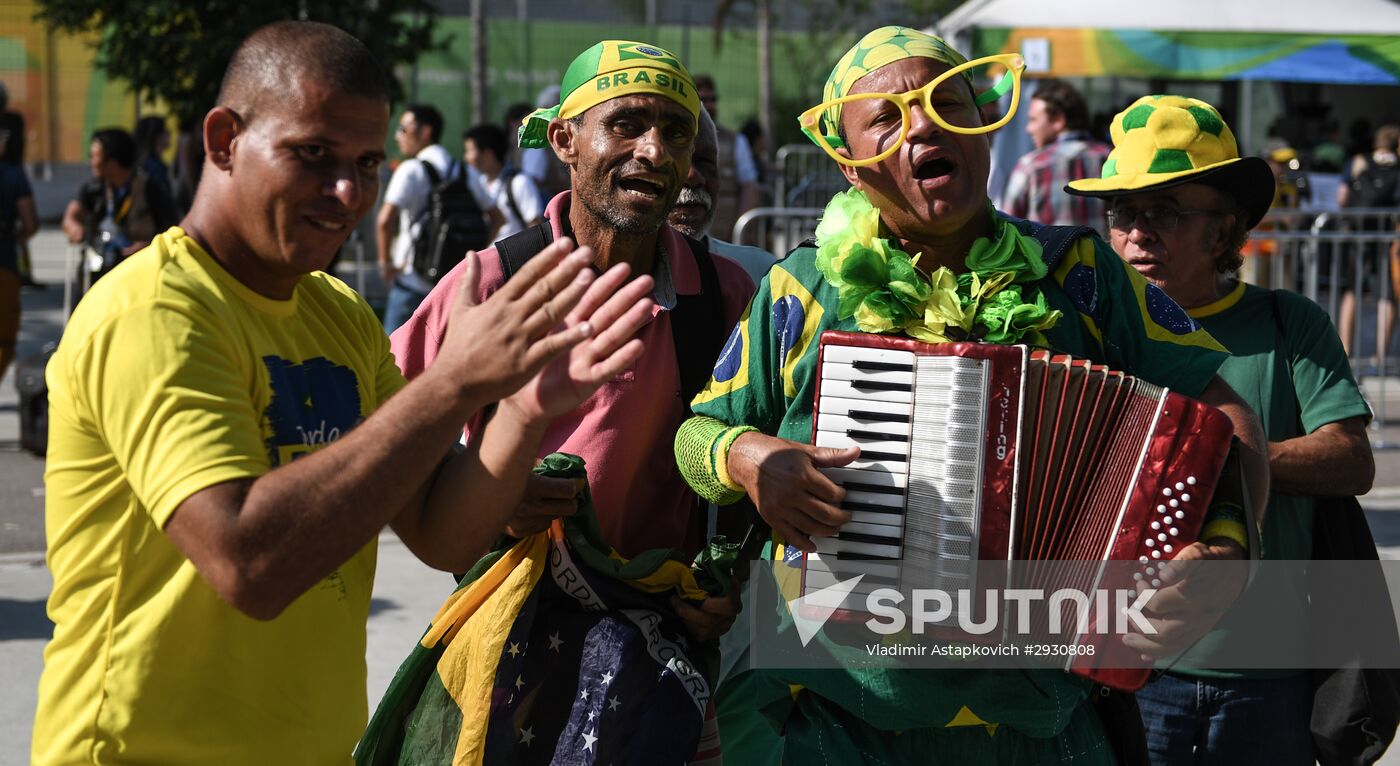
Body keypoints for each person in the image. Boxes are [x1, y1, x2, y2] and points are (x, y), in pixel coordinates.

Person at [33, 21, 655, 765]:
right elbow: (247, 565)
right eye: (313, 156)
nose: (347, 192)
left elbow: (440, 532)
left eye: (366, 163)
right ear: (224, 139)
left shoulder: (339, 315)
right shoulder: (155, 311)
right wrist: (454, 382)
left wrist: (522, 410)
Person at [674, 26, 1269, 763]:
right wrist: (747, 458)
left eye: (950, 102)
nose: (926, 124)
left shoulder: (1080, 273)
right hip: (836, 713)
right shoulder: (798, 290)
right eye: (887, 117)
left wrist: (1228, 547)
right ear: (849, 165)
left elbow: (1224, 412)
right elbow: (696, 435)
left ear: (986, 131)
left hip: (1039, 715)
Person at [1068, 94, 1375, 765]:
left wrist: (1208, 462)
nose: (1138, 233)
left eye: (1166, 212)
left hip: (1268, 673)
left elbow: (1351, 459)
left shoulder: (1287, 321)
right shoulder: (1089, 331)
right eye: (1124, 213)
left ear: (1224, 231)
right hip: (1122, 667)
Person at [393, 36, 755, 599]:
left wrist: (724, 583)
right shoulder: (494, 283)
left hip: (667, 637)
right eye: (627, 124)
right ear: (566, 140)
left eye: (676, 133)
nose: (654, 152)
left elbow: (757, 454)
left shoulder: (725, 293)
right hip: (512, 627)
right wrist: (486, 489)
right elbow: (385, 410)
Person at [377, 104, 501, 332]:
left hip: (411, 283)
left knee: (393, 360)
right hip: (454, 287)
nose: (398, 136)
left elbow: (385, 220)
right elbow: (497, 217)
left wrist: (386, 265)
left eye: (403, 129)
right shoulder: (464, 172)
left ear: (425, 132)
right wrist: (473, 250)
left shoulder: (411, 170)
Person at [667, 107, 776, 286]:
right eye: (675, 160)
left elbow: (749, 185)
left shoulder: (760, 272)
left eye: (705, 161)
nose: (693, 175)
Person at [60, 127, 179, 287]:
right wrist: (75, 228)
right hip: (97, 273)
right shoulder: (93, 188)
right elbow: (71, 216)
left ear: (112, 161)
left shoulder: (149, 188)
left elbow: (173, 230)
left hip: (138, 273)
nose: (91, 162)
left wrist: (149, 246)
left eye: (94, 156)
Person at [999, 78, 1111, 234]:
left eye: (1033, 120)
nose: (1028, 129)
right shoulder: (1111, 158)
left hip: (1047, 258)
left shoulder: (1031, 166)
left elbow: (1005, 230)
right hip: (1103, 258)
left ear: (1058, 120)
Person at [1334, 123, 1400, 359]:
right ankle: (1381, 356)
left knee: (1352, 290)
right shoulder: (1397, 166)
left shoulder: (1358, 162)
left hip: (1357, 232)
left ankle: (1345, 350)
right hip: (1388, 237)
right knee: (1386, 295)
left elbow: (1341, 197)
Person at [694, 74, 760, 240]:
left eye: (713, 99)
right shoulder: (673, 138)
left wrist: (741, 227)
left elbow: (749, 185)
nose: (709, 105)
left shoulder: (736, 141)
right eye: (703, 100)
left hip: (725, 234)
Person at [463, 122, 544, 239]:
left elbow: (535, 227)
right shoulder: (479, 183)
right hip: (486, 256)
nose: (466, 157)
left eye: (470, 150)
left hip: (517, 256)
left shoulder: (519, 182)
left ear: (487, 154)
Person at [0, 128, 37, 380]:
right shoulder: (13, 176)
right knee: (4, 339)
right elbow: (30, 223)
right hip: (4, 262)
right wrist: (16, 237)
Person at [134, 115, 173, 195]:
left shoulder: (143, 162)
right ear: (157, 136)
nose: (169, 133)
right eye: (166, 130)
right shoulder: (154, 167)